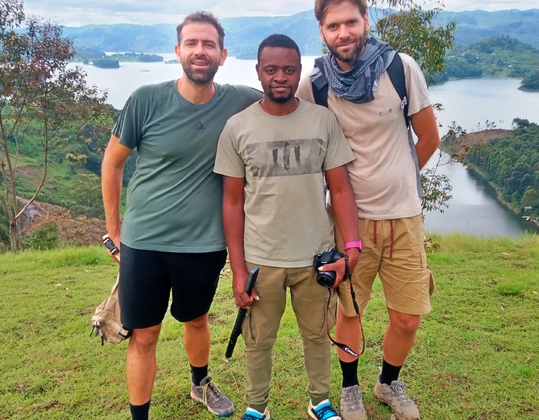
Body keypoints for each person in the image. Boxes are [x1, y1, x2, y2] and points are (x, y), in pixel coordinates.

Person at [100, 11, 263, 420]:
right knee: (144, 334)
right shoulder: (145, 100)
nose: (200, 51)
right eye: (191, 43)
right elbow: (112, 163)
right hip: (144, 243)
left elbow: (287, 94)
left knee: (196, 319)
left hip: (203, 244)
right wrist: (113, 229)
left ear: (223, 55)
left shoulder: (240, 100)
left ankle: (200, 383)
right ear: (177, 51)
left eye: (208, 44)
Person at [296, 1, 440, 419]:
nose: (344, 32)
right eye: (334, 25)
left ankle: (388, 381)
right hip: (349, 225)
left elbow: (428, 138)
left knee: (408, 316)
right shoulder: (316, 84)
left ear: (366, 22)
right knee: (350, 309)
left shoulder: (400, 69)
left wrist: (396, 179)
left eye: (351, 22)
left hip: (403, 218)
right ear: (322, 31)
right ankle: (351, 388)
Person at [214, 34, 361, 420]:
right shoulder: (237, 127)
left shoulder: (322, 120)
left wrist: (352, 249)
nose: (281, 77)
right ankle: (256, 409)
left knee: (317, 336)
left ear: (299, 71)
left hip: (316, 257)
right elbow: (231, 202)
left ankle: (320, 403)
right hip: (262, 259)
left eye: (290, 69)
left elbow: (341, 188)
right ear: (259, 71)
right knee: (258, 341)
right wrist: (238, 269)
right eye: (272, 69)